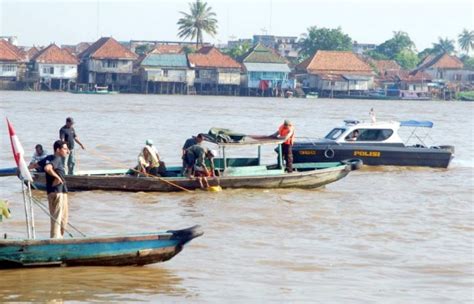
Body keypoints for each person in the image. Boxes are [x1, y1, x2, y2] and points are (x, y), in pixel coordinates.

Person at [37, 140, 69, 239]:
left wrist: (21, 169)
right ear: (58, 150)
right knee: (59, 220)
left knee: (60, 220)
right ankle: (56, 240)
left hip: (52, 193)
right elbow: (47, 168)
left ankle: (59, 238)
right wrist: (58, 178)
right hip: (59, 193)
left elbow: (35, 165)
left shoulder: (49, 158)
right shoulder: (57, 159)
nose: (67, 151)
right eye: (65, 149)